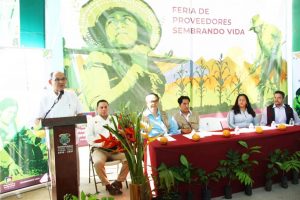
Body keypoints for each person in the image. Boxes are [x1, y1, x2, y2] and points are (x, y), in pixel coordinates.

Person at [78, 0, 166, 112]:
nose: (119, 25)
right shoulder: (98, 58)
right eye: (111, 21)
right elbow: (96, 104)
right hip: (112, 123)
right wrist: (130, 77)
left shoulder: (143, 58)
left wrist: (141, 62)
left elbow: (157, 93)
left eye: (127, 19)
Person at [86, 99, 129, 195]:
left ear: (108, 108)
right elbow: (89, 138)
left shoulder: (115, 119)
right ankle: (108, 185)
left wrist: (123, 133)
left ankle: (118, 182)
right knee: (97, 163)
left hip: (115, 150)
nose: (104, 109)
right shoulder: (92, 121)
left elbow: (122, 133)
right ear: (97, 109)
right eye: (101, 107)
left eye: (105, 107)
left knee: (130, 158)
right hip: (100, 150)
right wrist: (101, 144)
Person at [0, 98, 23, 181]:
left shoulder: (13, 126)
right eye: (9, 112)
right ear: (1, 111)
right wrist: (10, 163)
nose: (12, 115)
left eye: (14, 113)